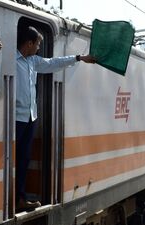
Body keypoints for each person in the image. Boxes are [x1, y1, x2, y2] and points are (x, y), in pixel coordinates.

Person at [16, 26, 97, 211]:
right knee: (11, 159)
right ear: (29, 43)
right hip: (15, 118)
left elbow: (53, 62)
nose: (38, 48)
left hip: (30, 117)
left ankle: (19, 198)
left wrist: (78, 58)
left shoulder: (33, 62)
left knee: (23, 160)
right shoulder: (9, 59)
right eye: (37, 44)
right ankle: (9, 198)